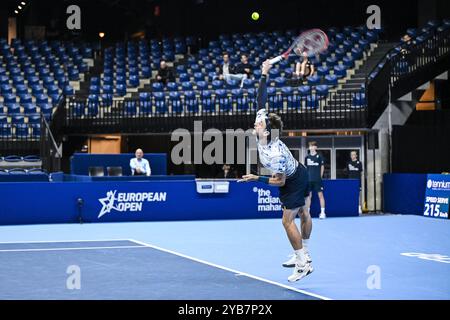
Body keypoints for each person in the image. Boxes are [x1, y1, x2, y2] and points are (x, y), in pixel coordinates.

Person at [238, 60, 313, 282]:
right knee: (304, 213)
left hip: (293, 179)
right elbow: (260, 98)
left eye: (259, 124)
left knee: (287, 221)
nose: (256, 123)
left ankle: (302, 264)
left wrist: (256, 178)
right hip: (297, 171)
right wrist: (263, 73)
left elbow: (279, 182)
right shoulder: (264, 125)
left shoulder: (274, 154)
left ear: (268, 132)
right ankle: (304, 253)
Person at [304, 141, 326, 219]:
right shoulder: (307, 157)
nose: (311, 147)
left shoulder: (319, 157)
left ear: (315, 147)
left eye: (313, 146)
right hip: (309, 180)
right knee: (308, 196)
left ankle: (323, 213)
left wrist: (320, 177)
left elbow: (322, 167)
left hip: (317, 180)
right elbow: (306, 168)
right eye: (310, 146)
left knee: (320, 195)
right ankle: (307, 214)